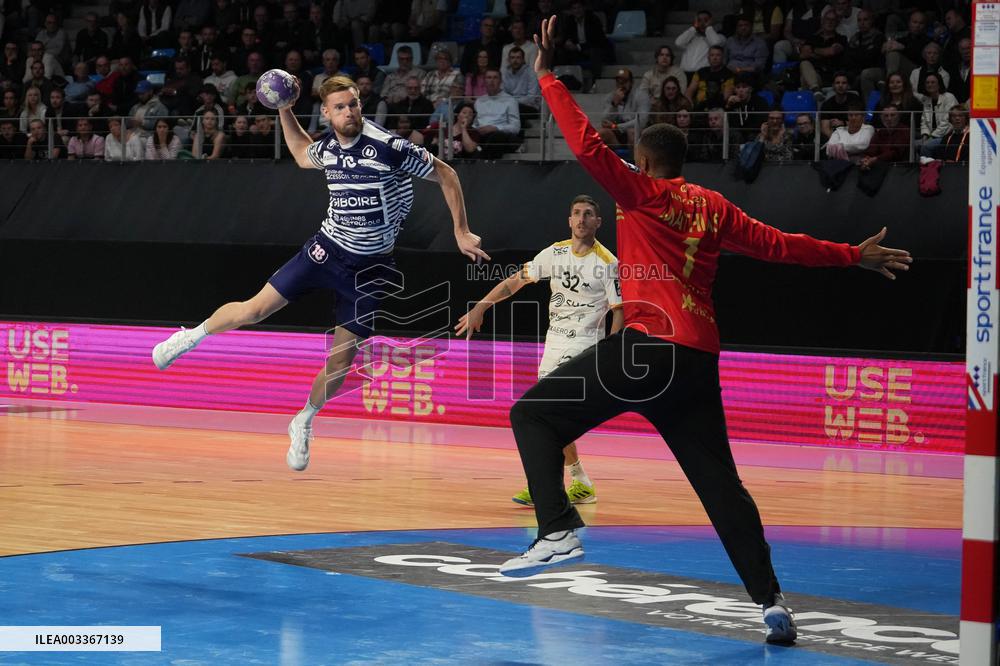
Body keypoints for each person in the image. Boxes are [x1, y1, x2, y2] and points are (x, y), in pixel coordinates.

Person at [498, 18, 913, 651]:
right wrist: (852, 255)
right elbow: (783, 246)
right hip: (696, 360)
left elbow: (584, 145)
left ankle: (557, 529)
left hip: (647, 349)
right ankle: (771, 603)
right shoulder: (715, 208)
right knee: (722, 488)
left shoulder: (641, 195)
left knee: (533, 415)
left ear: (644, 162)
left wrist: (548, 73)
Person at [151, 75, 489, 471]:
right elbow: (298, 153)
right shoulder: (328, 148)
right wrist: (283, 109)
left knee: (341, 363)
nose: (351, 112)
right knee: (254, 310)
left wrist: (460, 230)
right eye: (341, 107)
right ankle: (190, 337)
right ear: (327, 113)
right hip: (325, 251)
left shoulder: (390, 148)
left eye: (355, 104)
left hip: (372, 267)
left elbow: (447, 174)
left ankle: (303, 420)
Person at [457, 195, 623, 507]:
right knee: (552, 416)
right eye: (577, 214)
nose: (582, 219)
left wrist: (612, 350)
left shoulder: (607, 263)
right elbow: (516, 282)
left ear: (598, 222)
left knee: (545, 412)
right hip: (554, 342)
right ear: (569, 220)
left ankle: (544, 486)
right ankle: (580, 480)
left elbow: (619, 311)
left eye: (589, 214)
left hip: (584, 346)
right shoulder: (555, 253)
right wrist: (481, 306)